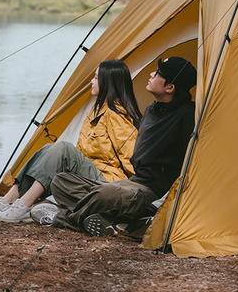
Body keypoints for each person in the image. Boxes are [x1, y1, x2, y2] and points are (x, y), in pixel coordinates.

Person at [32, 56, 196, 236]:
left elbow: (189, 164)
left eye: (157, 73)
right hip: (132, 183)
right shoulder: (151, 110)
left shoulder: (187, 116)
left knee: (105, 193)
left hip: (151, 192)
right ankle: (114, 221)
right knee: (61, 181)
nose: (151, 74)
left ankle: (64, 218)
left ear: (170, 87)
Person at [0, 59, 141, 223]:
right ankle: (8, 200)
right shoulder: (96, 111)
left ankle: (22, 206)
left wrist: (133, 196)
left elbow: (133, 160)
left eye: (96, 77)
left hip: (108, 182)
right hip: (90, 176)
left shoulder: (117, 115)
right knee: (47, 148)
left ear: (108, 82)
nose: (92, 81)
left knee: (63, 149)